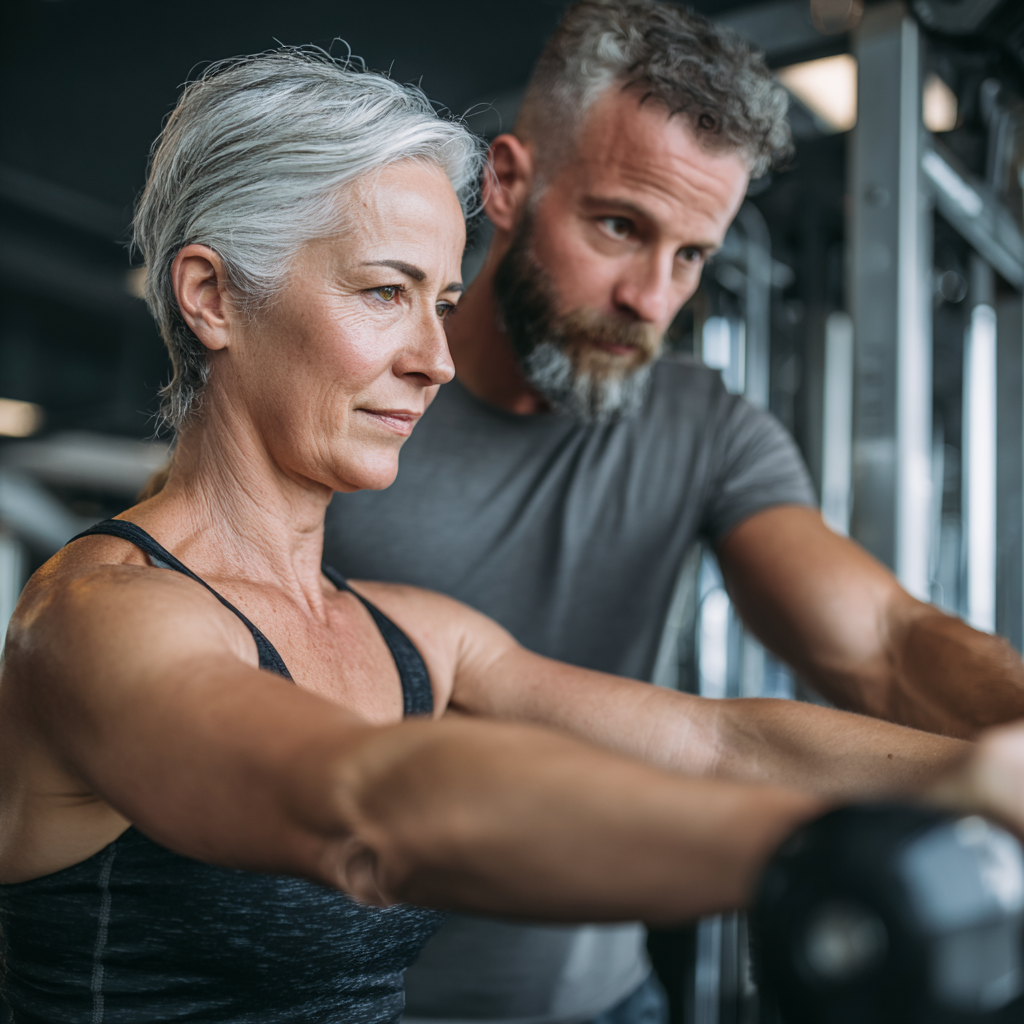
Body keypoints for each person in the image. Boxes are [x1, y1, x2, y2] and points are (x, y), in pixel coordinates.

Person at [0, 43, 1002, 1024]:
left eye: (440, 301)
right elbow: (375, 805)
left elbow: (713, 743)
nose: (433, 358)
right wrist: (831, 854)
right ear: (212, 297)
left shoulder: (414, 633)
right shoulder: (98, 620)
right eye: (385, 292)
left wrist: (968, 779)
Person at [321, 3, 1024, 1023]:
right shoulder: (347, 409)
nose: (651, 298)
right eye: (619, 227)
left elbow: (881, 641)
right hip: (359, 1001)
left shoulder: (706, 427)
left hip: (610, 1000)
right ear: (508, 185)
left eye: (692, 255)